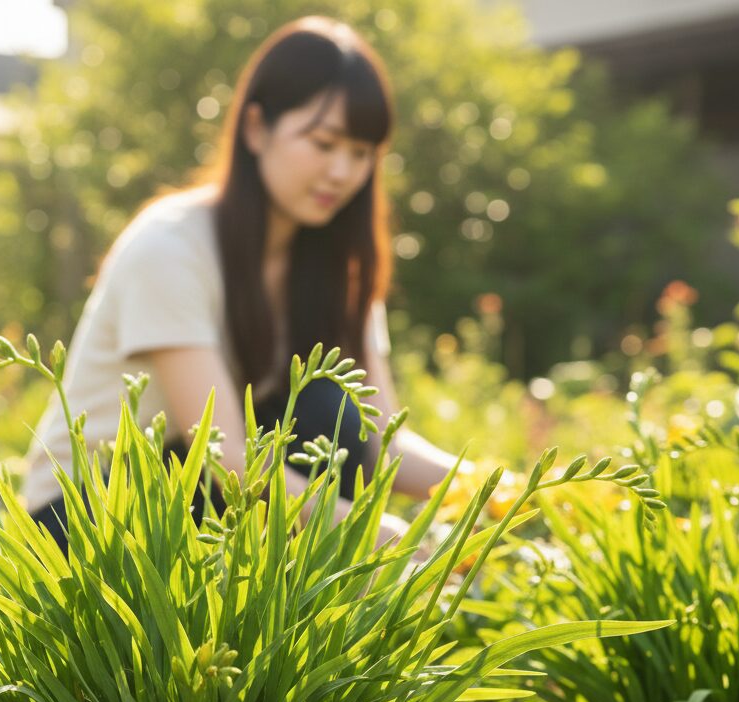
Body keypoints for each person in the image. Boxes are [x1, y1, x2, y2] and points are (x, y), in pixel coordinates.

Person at [23, 15, 470, 548]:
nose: (342, 173)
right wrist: (374, 535)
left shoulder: (338, 267)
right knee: (314, 428)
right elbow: (219, 454)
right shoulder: (170, 246)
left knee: (332, 417)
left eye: (361, 153)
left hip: (205, 499)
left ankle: (295, 624)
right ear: (256, 128)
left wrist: (500, 492)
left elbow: (380, 441)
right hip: (91, 512)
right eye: (324, 143)